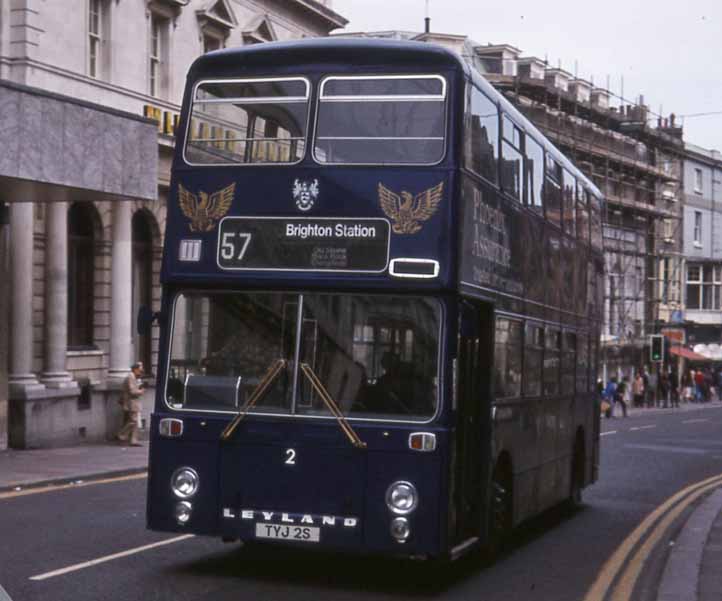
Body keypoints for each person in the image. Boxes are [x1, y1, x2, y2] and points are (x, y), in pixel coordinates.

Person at [116, 361, 145, 446]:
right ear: (135, 369)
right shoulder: (131, 377)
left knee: (134, 421)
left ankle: (133, 440)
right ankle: (121, 435)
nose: (141, 371)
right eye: (140, 370)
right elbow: (132, 391)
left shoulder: (134, 377)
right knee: (133, 421)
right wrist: (141, 391)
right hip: (131, 402)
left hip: (134, 402)